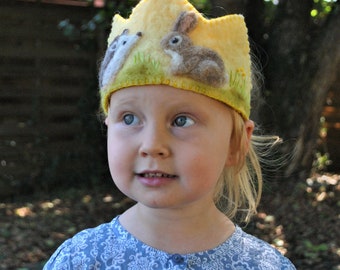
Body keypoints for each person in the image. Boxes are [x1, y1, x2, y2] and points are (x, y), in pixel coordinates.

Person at [44, 0, 296, 269]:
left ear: (236, 143)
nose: (152, 146)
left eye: (182, 120)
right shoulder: (79, 260)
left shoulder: (264, 266)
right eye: (129, 118)